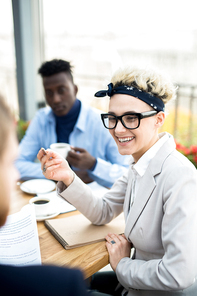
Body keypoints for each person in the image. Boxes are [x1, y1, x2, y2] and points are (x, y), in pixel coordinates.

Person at [37, 65, 197, 296]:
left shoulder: (179, 175)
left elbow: (178, 274)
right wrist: (68, 176)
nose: (118, 129)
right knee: (63, 283)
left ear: (158, 119)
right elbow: (102, 211)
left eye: (131, 118)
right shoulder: (139, 164)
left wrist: (122, 265)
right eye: (113, 118)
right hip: (133, 286)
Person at [0, 94, 88, 296]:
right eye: (8, 162)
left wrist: (93, 166)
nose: (16, 175)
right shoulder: (59, 286)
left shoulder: (95, 119)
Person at [15, 59, 129, 187]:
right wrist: (55, 173)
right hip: (53, 198)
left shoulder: (102, 122)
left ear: (75, 89)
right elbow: (16, 164)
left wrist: (94, 165)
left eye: (62, 90)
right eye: (49, 93)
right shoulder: (41, 119)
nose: (56, 99)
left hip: (94, 202)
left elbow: (127, 174)